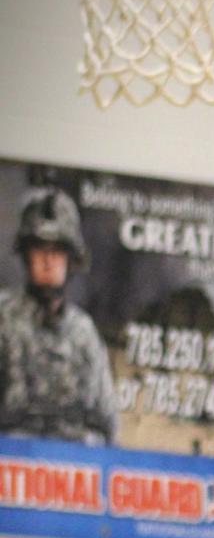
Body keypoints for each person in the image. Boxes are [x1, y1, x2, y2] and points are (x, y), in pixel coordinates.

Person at [0, 186, 117, 443]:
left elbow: (107, 427)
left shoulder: (84, 334)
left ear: (71, 258)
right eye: (39, 249)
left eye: (57, 251)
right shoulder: (4, 322)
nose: (48, 260)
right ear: (26, 256)